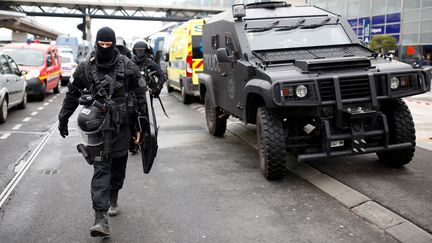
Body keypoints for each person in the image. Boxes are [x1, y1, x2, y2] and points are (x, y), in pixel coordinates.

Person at [57, 27, 148, 237]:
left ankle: (113, 194)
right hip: (97, 129)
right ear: (96, 43)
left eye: (108, 44)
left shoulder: (127, 66)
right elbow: (72, 94)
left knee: (118, 169)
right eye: (101, 44)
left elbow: (142, 97)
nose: (104, 48)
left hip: (122, 127)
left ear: (114, 44)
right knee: (100, 170)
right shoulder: (86, 68)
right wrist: (63, 118)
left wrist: (141, 128)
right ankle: (100, 218)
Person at [128, 39, 166, 154]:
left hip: (146, 96)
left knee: (149, 119)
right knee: (129, 118)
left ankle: (152, 142)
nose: (140, 53)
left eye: (142, 51)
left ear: (147, 51)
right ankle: (131, 143)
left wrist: (157, 88)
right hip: (132, 97)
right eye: (138, 51)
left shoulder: (151, 64)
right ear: (134, 51)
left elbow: (162, 76)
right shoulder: (129, 63)